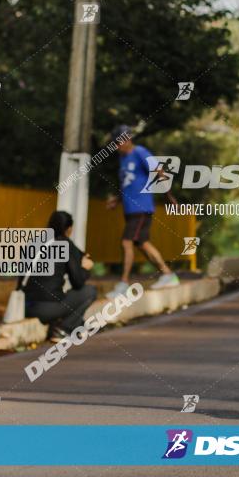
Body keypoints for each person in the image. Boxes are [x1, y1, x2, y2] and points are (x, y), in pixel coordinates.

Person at [106, 125, 179, 296]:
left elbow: (159, 171)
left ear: (127, 139)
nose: (116, 147)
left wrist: (169, 195)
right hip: (130, 209)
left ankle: (123, 283)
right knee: (142, 243)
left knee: (127, 242)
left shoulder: (139, 152)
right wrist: (116, 200)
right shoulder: (123, 159)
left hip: (141, 206)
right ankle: (168, 274)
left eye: (118, 143)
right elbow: (128, 183)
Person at [21, 211, 98, 342]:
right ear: (69, 229)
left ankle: (75, 325)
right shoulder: (65, 244)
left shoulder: (36, 241)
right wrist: (85, 268)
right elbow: (77, 283)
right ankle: (64, 328)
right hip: (48, 309)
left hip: (27, 306)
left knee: (57, 292)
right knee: (89, 291)